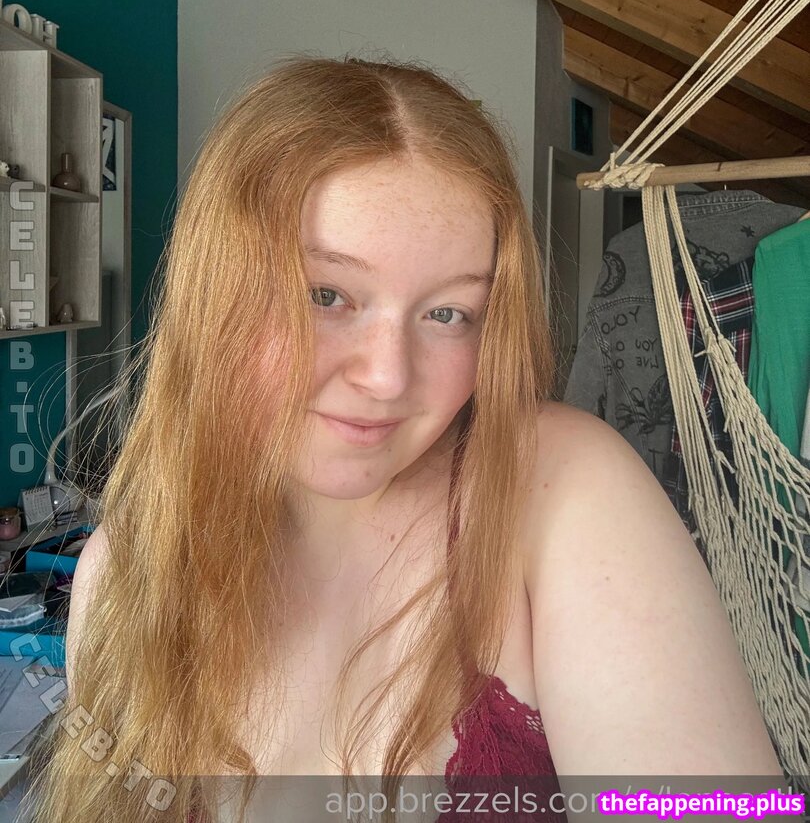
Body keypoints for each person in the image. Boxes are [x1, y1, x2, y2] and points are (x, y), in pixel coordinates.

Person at [25, 56, 783, 823]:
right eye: (326, 294)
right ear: (215, 292)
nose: (388, 377)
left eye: (448, 313)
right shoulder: (120, 576)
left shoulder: (560, 489)